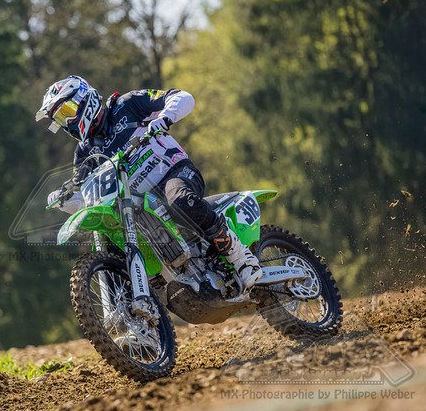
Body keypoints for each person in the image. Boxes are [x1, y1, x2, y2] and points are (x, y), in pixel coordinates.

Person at [36, 75, 262, 294]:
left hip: (174, 172)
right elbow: (85, 193)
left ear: (86, 99)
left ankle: (240, 257)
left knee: (178, 200)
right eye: (60, 120)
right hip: (137, 204)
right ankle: (127, 307)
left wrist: (164, 118)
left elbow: (183, 97)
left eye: (67, 112)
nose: (67, 124)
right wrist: (64, 197)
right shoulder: (84, 152)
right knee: (107, 234)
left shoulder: (126, 105)